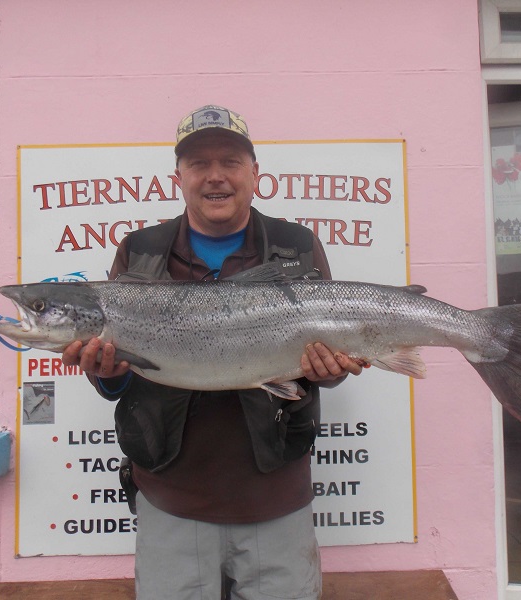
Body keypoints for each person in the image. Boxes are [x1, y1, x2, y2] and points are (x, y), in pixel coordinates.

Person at [62, 105, 363, 600]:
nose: (215, 177)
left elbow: (324, 361)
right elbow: (119, 378)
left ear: (255, 174)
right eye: (199, 164)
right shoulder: (139, 251)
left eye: (231, 161)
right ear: (177, 177)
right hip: (171, 496)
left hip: (276, 496)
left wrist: (330, 371)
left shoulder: (297, 244)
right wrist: (107, 373)